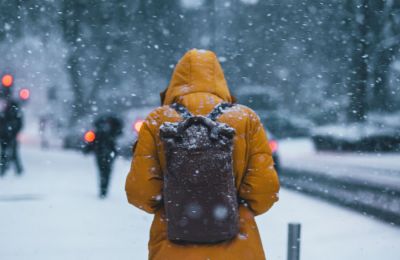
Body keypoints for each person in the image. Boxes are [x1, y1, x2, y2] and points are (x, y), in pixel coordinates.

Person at [125, 49, 280, 259]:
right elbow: (264, 192)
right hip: (238, 245)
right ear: (219, 79)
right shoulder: (245, 118)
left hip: (171, 244)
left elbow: (140, 192)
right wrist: (228, 208)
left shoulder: (158, 120)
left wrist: (178, 205)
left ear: (176, 81)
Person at [84, 114, 123, 198]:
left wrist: (87, 149)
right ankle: (104, 189)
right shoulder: (112, 130)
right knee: (106, 171)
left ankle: (103, 189)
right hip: (106, 153)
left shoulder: (101, 130)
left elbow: (92, 142)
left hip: (102, 153)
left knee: (103, 171)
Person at [0, 98, 24, 176]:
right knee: (12, 153)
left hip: (7, 136)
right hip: (7, 136)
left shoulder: (7, 113)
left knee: (8, 153)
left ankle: (4, 169)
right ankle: (14, 169)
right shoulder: (14, 113)